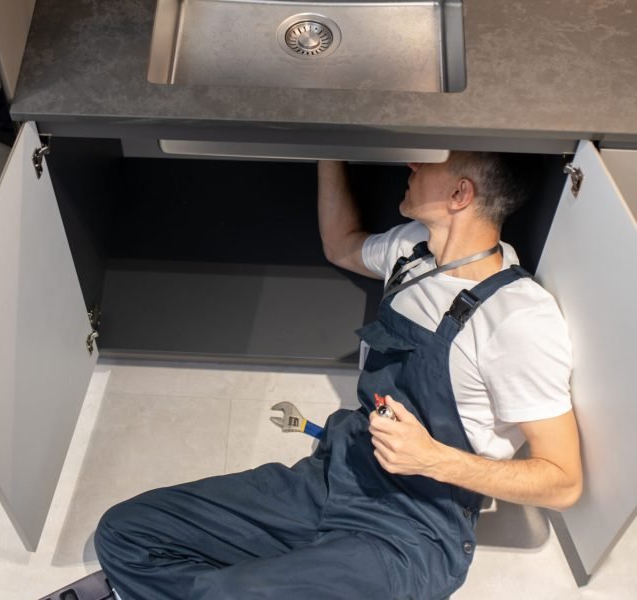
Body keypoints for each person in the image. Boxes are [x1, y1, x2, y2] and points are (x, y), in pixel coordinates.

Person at [94, 153, 583, 600]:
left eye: (430, 160)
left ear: (460, 195)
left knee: (230, 593)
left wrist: (434, 459)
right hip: (334, 474)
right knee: (125, 532)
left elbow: (563, 483)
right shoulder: (410, 250)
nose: (412, 163)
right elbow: (340, 245)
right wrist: (330, 145)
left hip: (411, 530)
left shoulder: (519, 319)